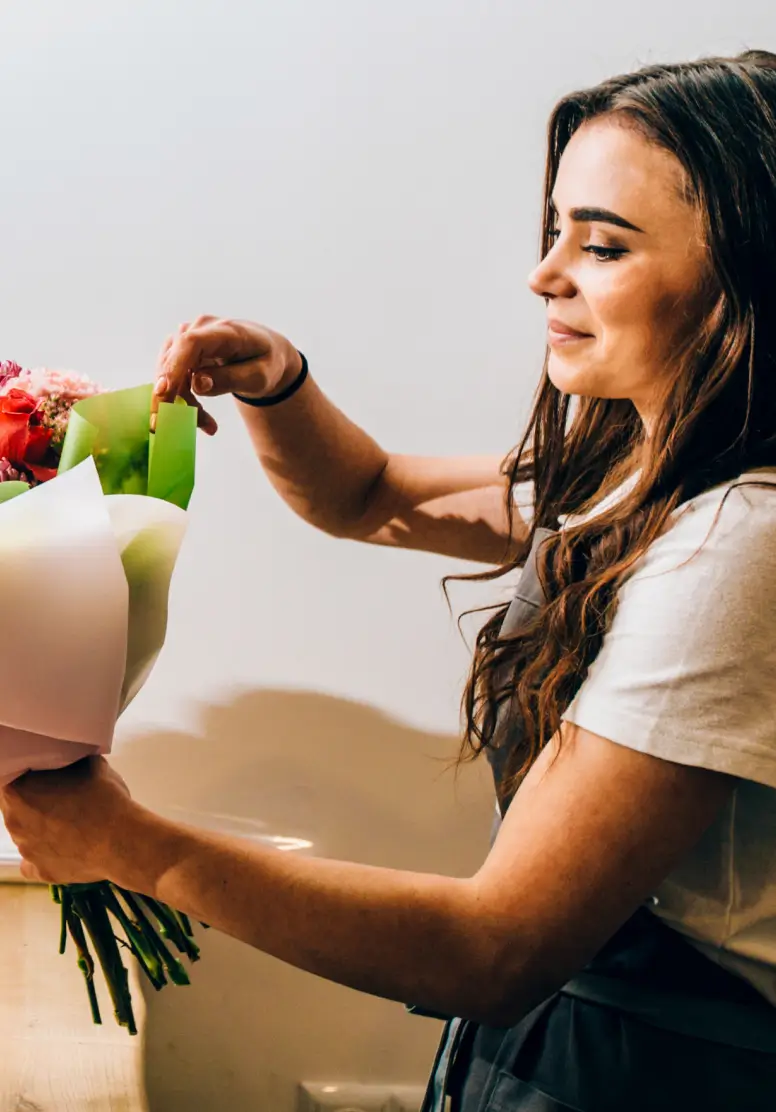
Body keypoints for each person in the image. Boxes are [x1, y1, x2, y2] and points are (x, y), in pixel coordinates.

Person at [4, 48, 776, 1110]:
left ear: (750, 275)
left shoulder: (739, 543)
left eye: (600, 244)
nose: (542, 274)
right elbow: (363, 493)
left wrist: (130, 845)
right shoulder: (635, 473)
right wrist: (279, 381)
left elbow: (494, 947)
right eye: (553, 230)